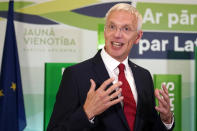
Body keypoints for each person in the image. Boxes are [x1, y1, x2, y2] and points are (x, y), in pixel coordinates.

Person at [47, 3, 174, 131]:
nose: (117, 34)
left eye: (126, 29)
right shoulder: (76, 75)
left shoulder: (144, 76)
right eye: (112, 27)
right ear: (105, 31)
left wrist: (166, 120)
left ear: (138, 37)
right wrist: (87, 113)